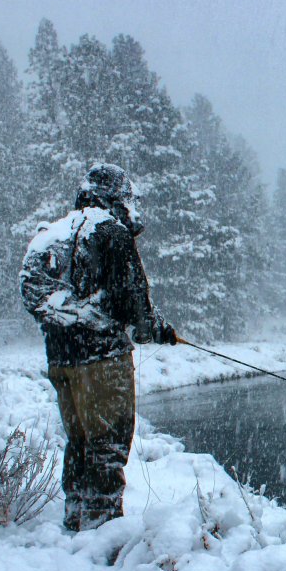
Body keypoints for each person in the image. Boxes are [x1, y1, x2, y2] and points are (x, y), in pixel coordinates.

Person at [20, 163, 177, 531]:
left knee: (79, 443)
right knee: (107, 446)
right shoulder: (111, 232)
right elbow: (133, 303)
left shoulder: (51, 235)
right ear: (116, 196)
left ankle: (76, 519)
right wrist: (157, 329)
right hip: (103, 362)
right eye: (127, 198)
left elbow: (32, 294)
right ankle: (100, 529)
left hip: (61, 361)